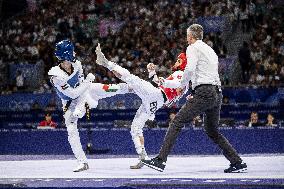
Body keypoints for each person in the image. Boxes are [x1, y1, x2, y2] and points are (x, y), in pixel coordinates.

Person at [142, 24, 247, 173]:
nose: (186, 39)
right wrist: (189, 88)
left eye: (187, 36)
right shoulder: (210, 50)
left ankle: (160, 160)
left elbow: (190, 70)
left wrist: (183, 85)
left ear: (190, 37)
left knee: (177, 121)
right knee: (212, 130)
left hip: (204, 92)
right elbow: (204, 73)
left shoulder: (192, 47)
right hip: (217, 93)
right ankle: (237, 162)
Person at [95, 44, 188, 169]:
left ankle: (105, 62)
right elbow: (158, 82)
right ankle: (143, 157)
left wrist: (164, 81)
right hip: (156, 102)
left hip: (155, 95)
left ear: (183, 63)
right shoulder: (184, 78)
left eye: (179, 60)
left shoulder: (181, 74)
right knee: (135, 128)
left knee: (130, 78)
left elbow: (176, 84)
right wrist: (152, 72)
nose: (176, 62)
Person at [48, 40, 130, 172]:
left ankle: (133, 87)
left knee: (108, 88)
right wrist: (88, 81)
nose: (75, 52)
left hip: (84, 93)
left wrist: (85, 93)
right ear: (67, 54)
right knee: (71, 128)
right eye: (72, 51)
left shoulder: (77, 64)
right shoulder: (55, 75)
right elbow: (73, 93)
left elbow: (82, 90)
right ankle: (82, 162)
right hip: (69, 102)